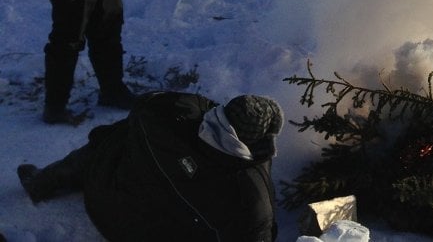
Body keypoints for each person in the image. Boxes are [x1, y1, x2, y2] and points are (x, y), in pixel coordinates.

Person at [16, 91, 282, 242]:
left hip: (104, 193)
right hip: (139, 235)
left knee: (112, 140)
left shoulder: (175, 113)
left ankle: (42, 183)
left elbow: (149, 101)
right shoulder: (249, 192)